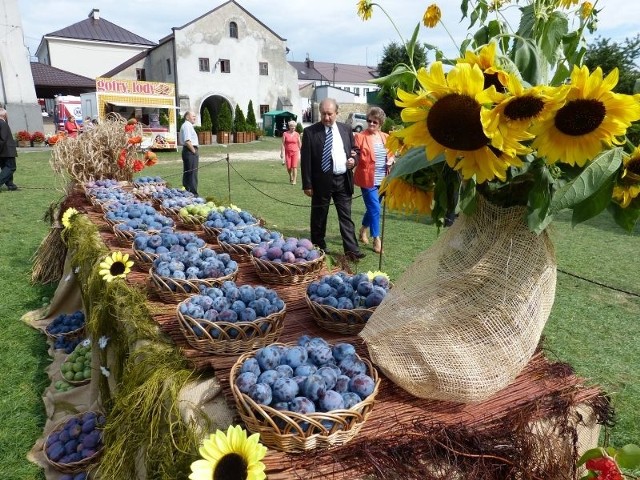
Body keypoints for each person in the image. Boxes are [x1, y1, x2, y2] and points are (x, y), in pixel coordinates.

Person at [300, 98, 365, 261]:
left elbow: (355, 150)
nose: (326, 117)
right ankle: (318, 247)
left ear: (337, 113)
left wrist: (354, 161)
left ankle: (352, 251)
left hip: (343, 180)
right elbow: (306, 161)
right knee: (319, 216)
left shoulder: (346, 129)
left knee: (346, 216)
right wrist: (307, 184)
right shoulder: (310, 132)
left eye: (330, 114)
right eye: (323, 114)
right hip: (320, 182)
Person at [354, 107, 394, 254]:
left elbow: (391, 154)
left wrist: (391, 158)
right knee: (376, 208)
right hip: (367, 179)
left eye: (374, 122)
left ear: (380, 123)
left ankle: (362, 230)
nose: (371, 124)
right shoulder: (360, 136)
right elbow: (356, 154)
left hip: (383, 179)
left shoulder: (386, 137)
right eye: (369, 121)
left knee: (372, 208)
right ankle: (376, 239)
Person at [179, 110, 199, 195]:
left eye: (195, 116)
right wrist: (194, 151)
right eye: (193, 116)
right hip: (190, 150)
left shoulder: (187, 125)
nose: (195, 117)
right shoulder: (187, 126)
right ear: (187, 117)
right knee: (191, 173)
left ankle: (187, 192)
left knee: (189, 172)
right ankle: (192, 193)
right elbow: (187, 141)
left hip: (189, 150)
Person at [0, 108, 18, 191]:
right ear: (4, 115)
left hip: (3, 151)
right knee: (11, 167)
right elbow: (3, 139)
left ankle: (10, 185)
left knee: (5, 168)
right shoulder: (3, 123)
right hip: (7, 150)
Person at [281, 120, 301, 185]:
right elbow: (283, 144)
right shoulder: (285, 134)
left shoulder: (297, 134)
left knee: (294, 166)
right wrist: (281, 152)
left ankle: (294, 180)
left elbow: (299, 143)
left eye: (294, 127)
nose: (293, 128)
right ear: (289, 127)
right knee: (289, 167)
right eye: (292, 127)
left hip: (295, 152)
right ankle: (290, 175)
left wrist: (302, 151)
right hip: (287, 152)